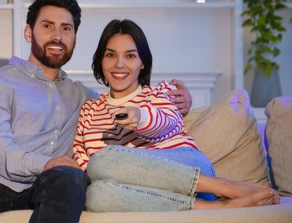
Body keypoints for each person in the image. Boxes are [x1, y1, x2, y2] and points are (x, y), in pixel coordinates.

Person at [0, 0, 192, 223]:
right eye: (48, 26)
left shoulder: (84, 98)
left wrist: (179, 100)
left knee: (70, 178)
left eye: (66, 28)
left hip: (50, 187)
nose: (57, 35)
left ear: (74, 39)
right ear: (28, 32)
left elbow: (128, 99)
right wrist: (46, 163)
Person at [72, 19, 280, 212]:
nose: (119, 64)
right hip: (144, 192)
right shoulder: (90, 109)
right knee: (96, 195)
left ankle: (225, 186)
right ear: (101, 60)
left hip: (188, 166)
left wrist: (140, 116)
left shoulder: (161, 92)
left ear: (142, 63)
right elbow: (82, 160)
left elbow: (169, 122)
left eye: (130, 55)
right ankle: (212, 207)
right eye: (110, 55)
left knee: (103, 159)